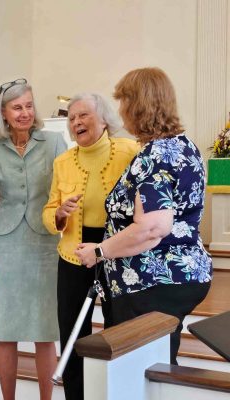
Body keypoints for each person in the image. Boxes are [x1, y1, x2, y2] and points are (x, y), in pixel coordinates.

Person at [75, 67, 212, 365]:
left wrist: (99, 251)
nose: (121, 111)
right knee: (156, 369)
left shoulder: (156, 156)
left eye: (124, 101)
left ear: (137, 104)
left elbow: (152, 228)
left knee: (137, 374)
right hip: (180, 274)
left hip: (152, 282)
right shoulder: (183, 146)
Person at [0, 78, 67, 400]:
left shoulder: (55, 142)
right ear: (3, 112)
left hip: (45, 243)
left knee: (45, 331)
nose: (25, 112)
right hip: (4, 246)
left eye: (29, 105)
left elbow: (65, 192)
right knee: (6, 331)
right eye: (17, 107)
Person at [42, 93, 139, 400]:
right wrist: (58, 214)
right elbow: (49, 210)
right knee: (72, 335)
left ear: (104, 119)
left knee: (118, 330)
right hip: (74, 256)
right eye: (72, 118)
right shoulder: (62, 162)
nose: (76, 123)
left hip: (117, 255)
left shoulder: (129, 150)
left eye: (83, 115)